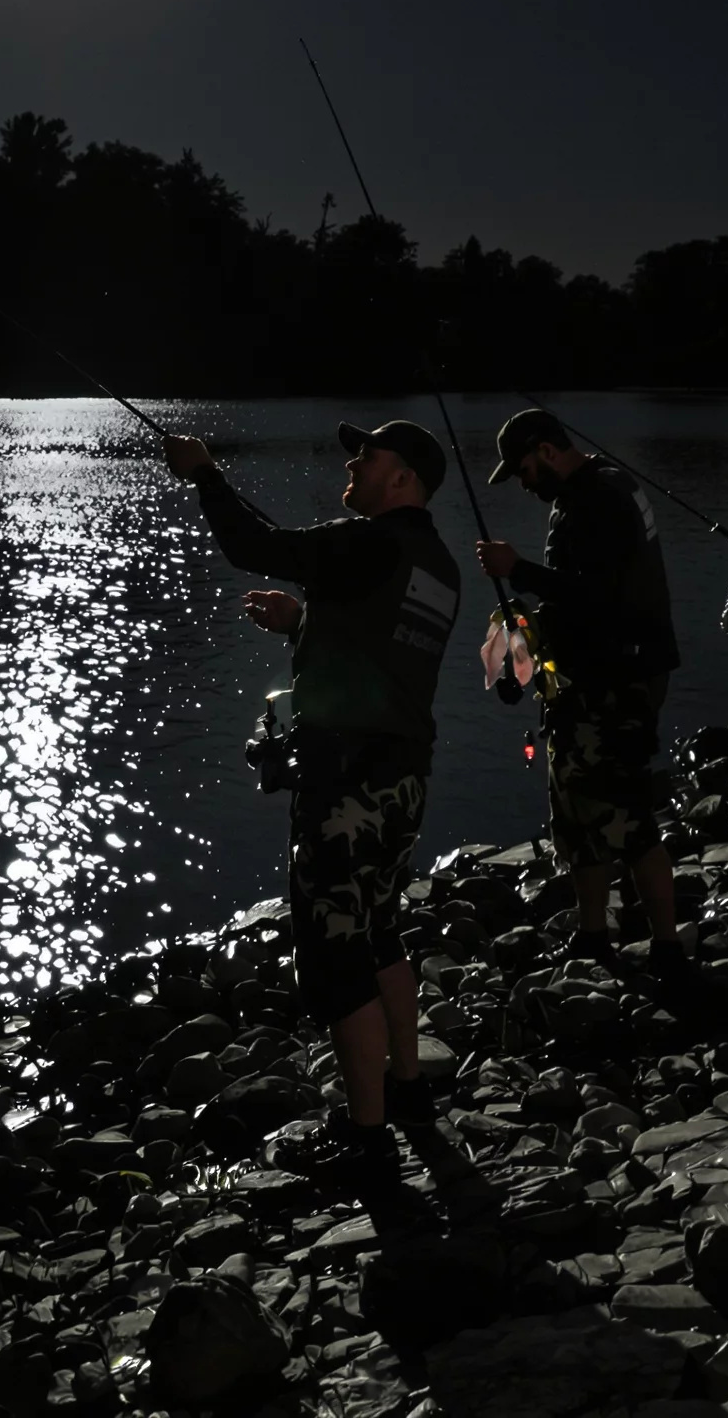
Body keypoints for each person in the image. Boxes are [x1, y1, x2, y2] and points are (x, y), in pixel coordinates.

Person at [164, 418, 461, 1189]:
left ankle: (368, 1144)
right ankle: (408, 1092)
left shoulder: (368, 542)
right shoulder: (436, 563)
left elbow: (255, 544)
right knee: (381, 930)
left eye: (369, 456)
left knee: (334, 960)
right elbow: (381, 655)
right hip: (403, 775)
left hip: (347, 786)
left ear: (403, 479)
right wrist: (307, 623)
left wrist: (203, 473)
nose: (354, 464)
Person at [474, 409, 695, 994]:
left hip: (619, 678)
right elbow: (592, 588)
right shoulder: (599, 488)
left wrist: (517, 569)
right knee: (576, 811)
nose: (522, 482)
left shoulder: (595, 500)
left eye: (523, 469)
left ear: (546, 451)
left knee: (626, 811)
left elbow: (598, 594)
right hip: (596, 676)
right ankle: (594, 934)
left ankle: (668, 945)